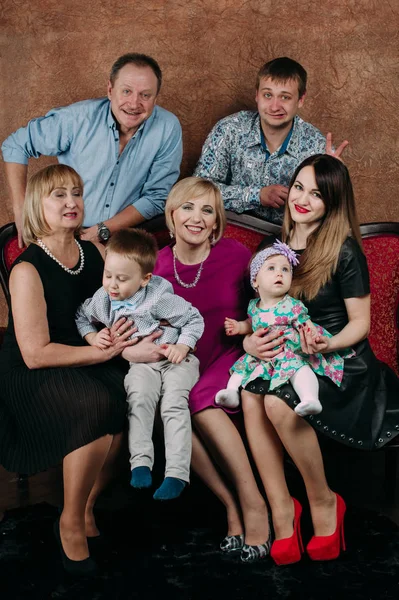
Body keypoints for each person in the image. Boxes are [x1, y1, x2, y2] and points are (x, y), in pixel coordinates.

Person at [241, 154, 399, 566]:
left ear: (332, 202)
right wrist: (249, 346)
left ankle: (322, 500)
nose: (303, 199)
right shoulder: (269, 248)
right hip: (285, 357)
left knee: (276, 400)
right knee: (248, 393)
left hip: (340, 360)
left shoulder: (344, 251)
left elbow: (359, 324)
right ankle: (281, 509)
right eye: (298, 187)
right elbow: (256, 314)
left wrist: (323, 346)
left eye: (317, 193)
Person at [0, 164, 136, 576]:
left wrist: (118, 336)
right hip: (35, 368)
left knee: (131, 400)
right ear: (36, 205)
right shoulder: (26, 268)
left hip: (88, 351)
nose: (71, 202)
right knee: (95, 408)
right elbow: (35, 354)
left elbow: (105, 312)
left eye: (75, 193)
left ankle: (87, 503)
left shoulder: (92, 252)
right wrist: (96, 355)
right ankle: (70, 519)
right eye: (58, 195)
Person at [147, 176, 281, 563]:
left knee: (199, 397)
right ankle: (231, 505)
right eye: (188, 207)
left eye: (207, 210)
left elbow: (270, 309)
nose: (197, 217)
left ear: (217, 220)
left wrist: (255, 336)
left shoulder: (238, 256)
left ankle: (253, 502)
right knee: (170, 402)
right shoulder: (154, 267)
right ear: (171, 215)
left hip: (231, 356)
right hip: (182, 360)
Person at [2, 53, 182, 248]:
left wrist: (104, 229)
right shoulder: (77, 119)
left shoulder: (167, 127)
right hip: (66, 232)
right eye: (126, 91)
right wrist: (21, 210)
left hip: (127, 238)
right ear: (110, 90)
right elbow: (16, 145)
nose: (134, 104)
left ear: (155, 98)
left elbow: (156, 197)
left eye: (145, 95)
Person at [75, 228, 204, 501]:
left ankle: (177, 474)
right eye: (108, 275)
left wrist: (183, 346)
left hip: (175, 360)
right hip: (142, 365)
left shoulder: (159, 299)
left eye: (122, 279)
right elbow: (81, 315)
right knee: (139, 397)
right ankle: (141, 464)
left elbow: (194, 319)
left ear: (145, 279)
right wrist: (93, 336)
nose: (112, 285)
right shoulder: (103, 299)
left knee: (172, 405)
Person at [194, 57, 348, 225]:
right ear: (257, 96)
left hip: (290, 241)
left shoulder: (318, 147)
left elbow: (333, 214)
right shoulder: (229, 129)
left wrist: (334, 181)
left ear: (301, 100)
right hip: (230, 233)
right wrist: (256, 195)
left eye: (285, 97)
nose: (274, 106)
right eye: (268, 95)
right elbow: (198, 191)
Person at [215, 241, 352, 417]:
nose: (279, 273)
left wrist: (313, 336)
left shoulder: (291, 305)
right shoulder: (254, 306)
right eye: (271, 268)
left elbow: (304, 322)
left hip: (289, 350)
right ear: (255, 280)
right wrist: (239, 327)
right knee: (242, 367)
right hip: (265, 354)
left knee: (299, 370)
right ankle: (231, 392)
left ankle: (310, 398)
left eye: (285, 269)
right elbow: (252, 322)